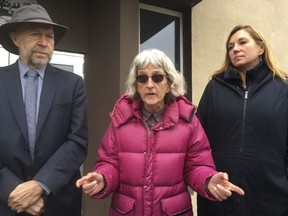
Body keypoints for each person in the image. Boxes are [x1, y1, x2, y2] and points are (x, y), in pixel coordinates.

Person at [76, 49, 244, 215]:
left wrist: (208, 180)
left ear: (170, 83)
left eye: (157, 77)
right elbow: (109, 162)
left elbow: (197, 165)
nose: (150, 85)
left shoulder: (188, 121)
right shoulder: (121, 120)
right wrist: (103, 178)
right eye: (142, 78)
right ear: (136, 85)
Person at [0, 4, 88, 216]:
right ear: (15, 38)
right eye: (35, 34)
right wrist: (11, 188)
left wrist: (40, 185)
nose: (43, 42)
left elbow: (77, 142)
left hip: (58, 202)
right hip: (7, 202)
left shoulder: (73, 84)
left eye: (49, 36)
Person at [196, 24, 288, 216]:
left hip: (272, 201)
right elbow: (197, 142)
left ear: (261, 47)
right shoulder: (214, 88)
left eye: (242, 42)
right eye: (230, 46)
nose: (235, 49)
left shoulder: (283, 88)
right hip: (220, 199)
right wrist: (207, 179)